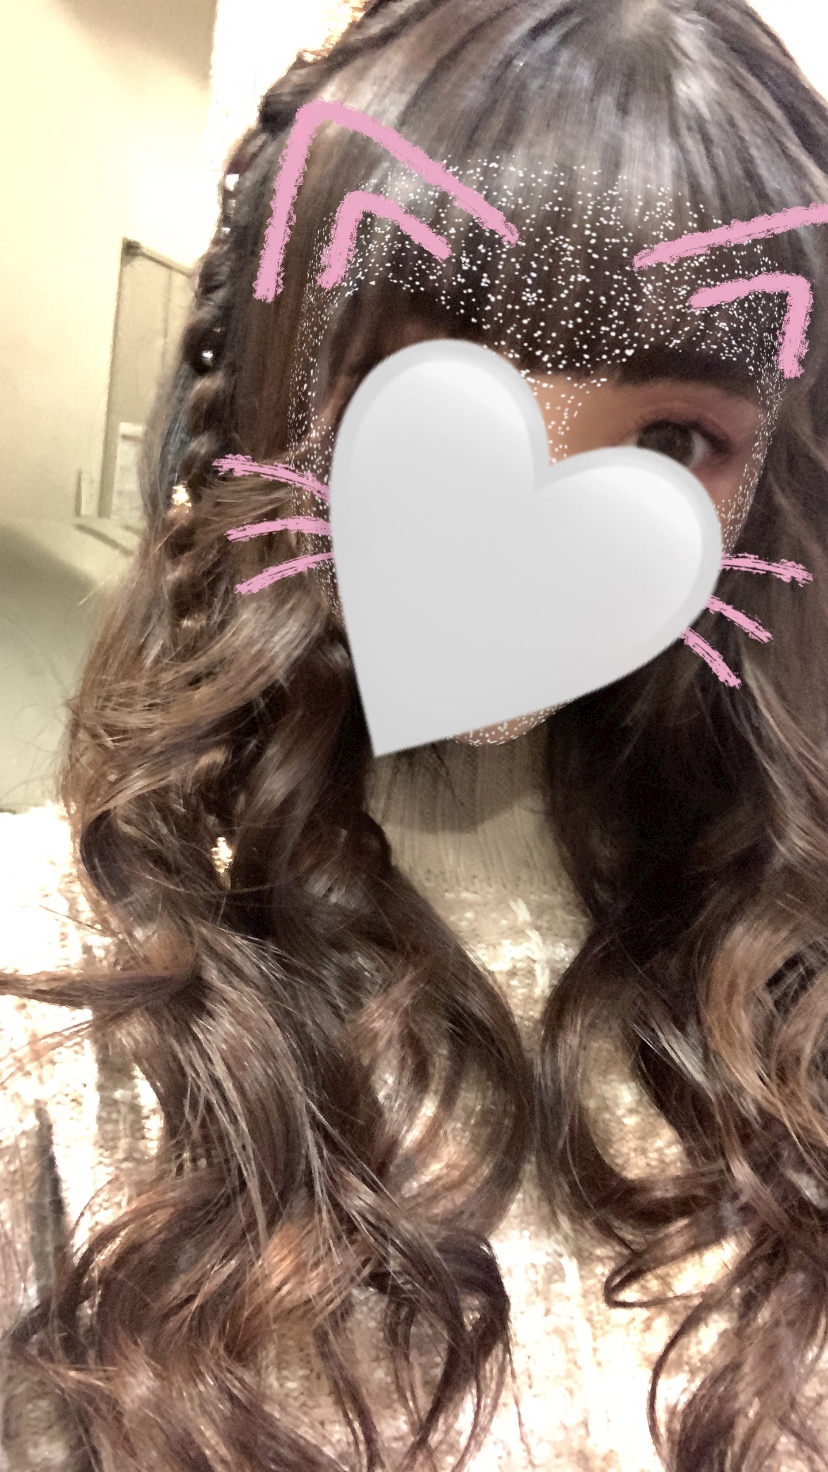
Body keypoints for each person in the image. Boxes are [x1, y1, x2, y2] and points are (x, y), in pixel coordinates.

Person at [2, 1, 828, 1468]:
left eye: (671, 440)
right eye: (429, 386)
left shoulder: (788, 985)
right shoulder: (45, 976)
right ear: (275, 383)